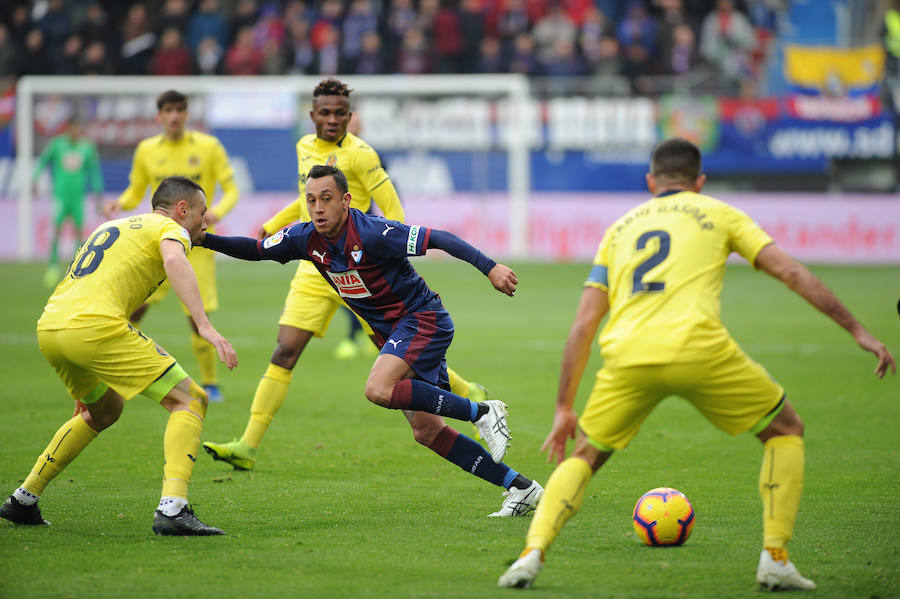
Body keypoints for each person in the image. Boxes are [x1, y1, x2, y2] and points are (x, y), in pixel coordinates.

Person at [498, 138, 896, 590]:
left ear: (652, 182)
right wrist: (858, 331)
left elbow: (584, 322)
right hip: (700, 350)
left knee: (586, 454)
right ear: (699, 182)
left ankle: (531, 555)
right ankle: (775, 557)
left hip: (629, 357)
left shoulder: (621, 228)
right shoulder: (720, 213)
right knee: (785, 430)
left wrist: (564, 407)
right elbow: (791, 273)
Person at [202, 164, 544, 517]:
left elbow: (440, 238)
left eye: (327, 199)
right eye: (311, 200)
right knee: (427, 432)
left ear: (347, 201)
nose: (318, 208)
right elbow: (257, 248)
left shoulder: (374, 233)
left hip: (423, 320)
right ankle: (521, 488)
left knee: (378, 388)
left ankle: (484, 411)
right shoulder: (306, 239)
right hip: (397, 335)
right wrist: (203, 238)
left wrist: (490, 267)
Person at [202, 78, 492, 474]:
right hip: (315, 261)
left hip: (362, 268)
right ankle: (248, 445)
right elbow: (308, 198)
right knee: (285, 349)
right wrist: (275, 223)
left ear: (350, 116)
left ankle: (465, 393)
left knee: (393, 356)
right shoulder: (305, 148)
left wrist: (390, 254)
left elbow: (391, 207)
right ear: (313, 115)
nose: (333, 120)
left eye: (341, 113)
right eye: (326, 113)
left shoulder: (361, 154)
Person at [0, 176, 238, 535]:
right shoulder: (169, 229)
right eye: (202, 213)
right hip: (94, 327)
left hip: (51, 327)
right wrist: (204, 325)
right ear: (182, 209)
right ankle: (173, 509)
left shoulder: (115, 225)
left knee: (104, 409)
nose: (205, 222)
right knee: (190, 399)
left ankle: (24, 499)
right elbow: (174, 260)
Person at [104, 90, 239, 403]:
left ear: (187, 113)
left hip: (196, 242)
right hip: (157, 240)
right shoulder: (146, 150)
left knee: (196, 315)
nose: (175, 115)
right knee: (134, 308)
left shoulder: (208, 147)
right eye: (168, 110)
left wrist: (218, 211)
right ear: (159, 115)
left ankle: (211, 382)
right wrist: (118, 203)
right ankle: (114, 370)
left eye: (180, 109)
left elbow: (232, 189)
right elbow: (136, 190)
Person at [33, 118, 104, 288]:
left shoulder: (87, 147)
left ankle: (76, 265)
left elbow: (94, 171)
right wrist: (35, 179)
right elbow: (43, 161)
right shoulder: (58, 145)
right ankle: (53, 265)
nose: (74, 132)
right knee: (57, 228)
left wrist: (97, 192)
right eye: (72, 128)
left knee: (79, 231)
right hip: (60, 196)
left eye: (77, 129)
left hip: (77, 197)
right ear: (67, 129)